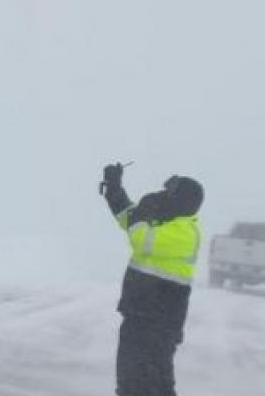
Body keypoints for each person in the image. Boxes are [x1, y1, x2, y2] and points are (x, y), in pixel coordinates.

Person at [100, 163, 204, 396]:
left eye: (169, 194)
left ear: (182, 201)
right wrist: (115, 189)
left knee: (156, 384)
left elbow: (141, 238)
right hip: (140, 314)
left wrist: (144, 209)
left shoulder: (184, 232)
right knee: (129, 380)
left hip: (160, 322)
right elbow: (129, 218)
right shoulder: (162, 221)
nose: (163, 197)